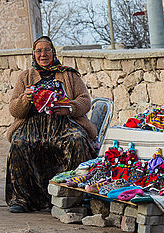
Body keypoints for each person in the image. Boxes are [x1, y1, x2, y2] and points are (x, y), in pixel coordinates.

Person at [6, 36, 97, 213]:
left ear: (53, 52)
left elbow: (85, 100)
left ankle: (76, 195)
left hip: (64, 124)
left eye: (47, 50)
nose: (43, 54)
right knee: (19, 142)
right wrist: (25, 99)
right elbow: (14, 110)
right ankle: (23, 199)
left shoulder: (69, 74)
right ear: (34, 54)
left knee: (77, 139)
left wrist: (68, 107)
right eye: (38, 51)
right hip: (32, 126)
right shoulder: (25, 77)